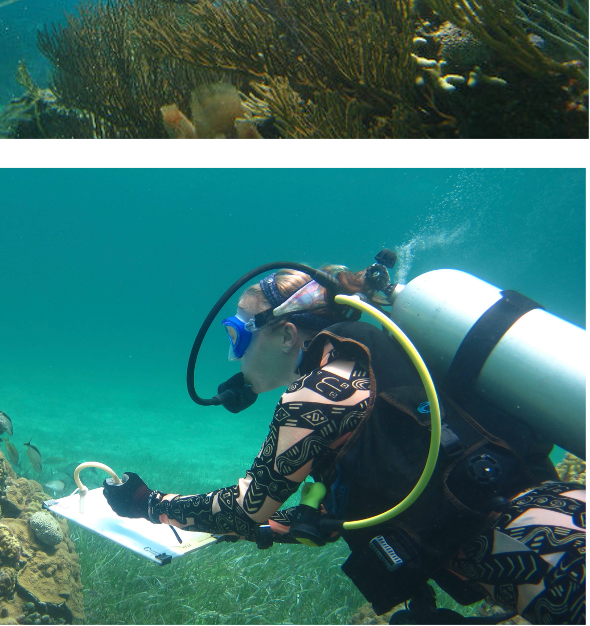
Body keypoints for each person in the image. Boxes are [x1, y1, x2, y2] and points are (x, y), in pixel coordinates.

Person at [102, 266, 585, 625]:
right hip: (555, 520)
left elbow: (242, 508)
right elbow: (389, 471)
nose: (236, 355)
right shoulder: (368, 360)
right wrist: (302, 519)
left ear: (288, 334)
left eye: (239, 335)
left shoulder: (318, 389)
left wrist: (148, 504)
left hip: (542, 556)